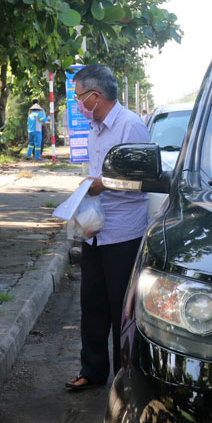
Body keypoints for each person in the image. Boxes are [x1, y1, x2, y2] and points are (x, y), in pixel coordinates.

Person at [66, 65, 150, 392]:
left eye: (79, 98)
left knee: (121, 309)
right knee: (92, 304)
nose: (77, 104)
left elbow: (144, 181)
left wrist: (104, 184)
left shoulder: (130, 126)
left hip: (124, 234)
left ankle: (123, 378)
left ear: (95, 96)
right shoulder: (94, 129)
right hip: (96, 230)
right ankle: (94, 369)